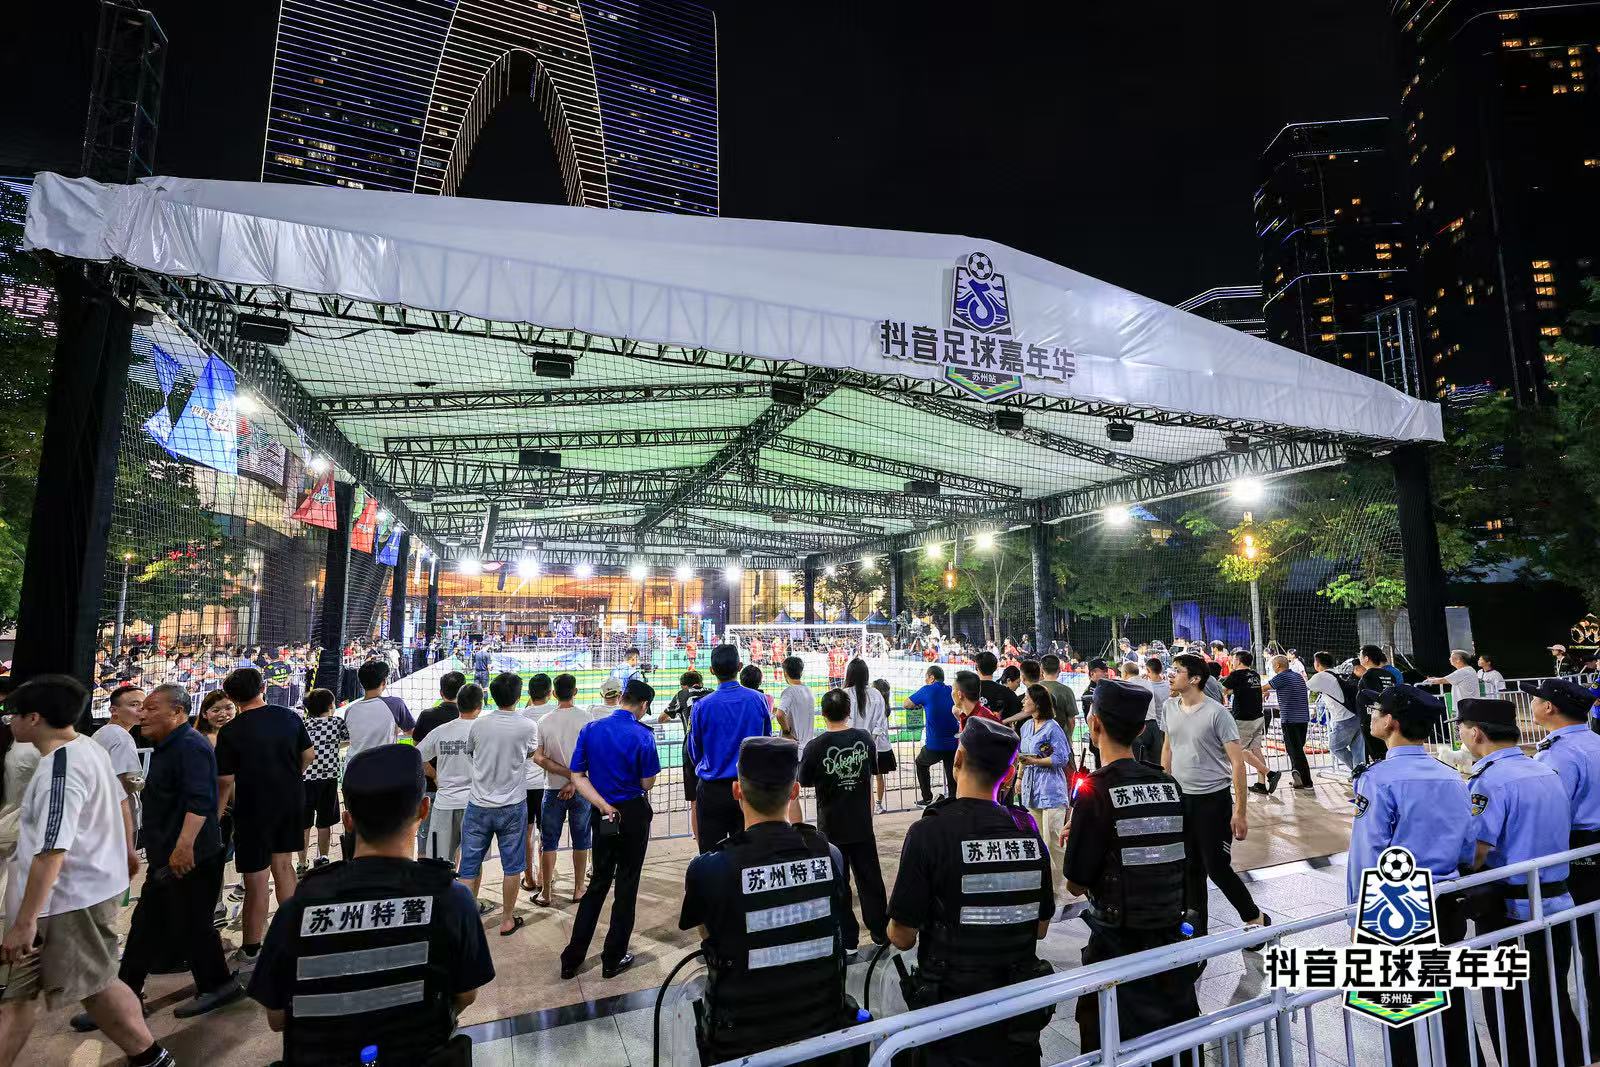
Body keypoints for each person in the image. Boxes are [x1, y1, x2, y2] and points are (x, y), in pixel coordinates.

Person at [248, 745, 494, 1067]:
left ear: (347, 820)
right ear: (423, 809)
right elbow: (466, 995)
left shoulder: (297, 909)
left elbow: (277, 1017)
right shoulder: (451, 899)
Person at [0, 676, 171, 1067]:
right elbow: (120, 800)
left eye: (13, 714)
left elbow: (52, 850)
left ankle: (152, 1058)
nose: (9, 722)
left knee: (97, 987)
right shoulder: (88, 747)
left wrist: (25, 922)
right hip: (74, 895)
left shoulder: (60, 769)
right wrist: (126, 848)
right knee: (21, 999)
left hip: (66, 902)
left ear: (34, 718)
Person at [887, 718, 1055, 1067]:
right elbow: (1040, 928)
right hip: (1015, 1021)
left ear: (958, 758)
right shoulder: (1026, 829)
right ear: (1009, 775)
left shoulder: (929, 832)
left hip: (950, 1022)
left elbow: (901, 937)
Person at [683, 734, 859, 1063]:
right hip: (822, 1029)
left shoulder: (708, 869)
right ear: (794, 792)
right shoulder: (829, 855)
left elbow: (710, 936)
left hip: (738, 1041)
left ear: (737, 791)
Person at [78, 684, 243, 1031]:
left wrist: (184, 847)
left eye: (151, 709)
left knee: (190, 924)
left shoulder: (190, 746)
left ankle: (217, 985)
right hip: (169, 856)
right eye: (141, 708)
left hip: (189, 857)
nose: (143, 715)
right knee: (149, 926)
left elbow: (200, 802)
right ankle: (129, 996)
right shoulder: (168, 744)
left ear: (178, 712)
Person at [1064, 679, 1199, 1067]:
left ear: (1094, 724)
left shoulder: (1094, 791)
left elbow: (1075, 884)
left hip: (1116, 949)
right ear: (1141, 729)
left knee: (1109, 1047)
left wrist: (1081, 838)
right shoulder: (1168, 784)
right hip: (1170, 947)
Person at [1347, 685, 1476, 1067]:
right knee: (1451, 1008)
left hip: (1396, 908)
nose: (1371, 716)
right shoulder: (1451, 776)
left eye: (1376, 710)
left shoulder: (1378, 779)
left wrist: (1357, 917)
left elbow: (1369, 854)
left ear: (1391, 722)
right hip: (1447, 901)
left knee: (1400, 1017)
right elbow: (1467, 846)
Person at [1457, 696, 1581, 1067]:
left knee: (1509, 1006)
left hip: (1512, 912)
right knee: (1551, 993)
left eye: (1461, 727)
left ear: (1476, 733)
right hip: (1558, 901)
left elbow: (1477, 852)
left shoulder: (1490, 781)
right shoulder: (1543, 769)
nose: (1460, 734)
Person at [560, 679, 660, 980]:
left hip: (603, 814)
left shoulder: (591, 729)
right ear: (643, 705)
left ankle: (572, 958)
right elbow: (646, 783)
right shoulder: (643, 735)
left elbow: (577, 775)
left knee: (598, 882)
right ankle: (612, 958)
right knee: (627, 885)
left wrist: (603, 805)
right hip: (632, 813)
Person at [1162, 653, 1267, 938]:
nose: (1171, 674)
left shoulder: (1217, 713)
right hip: (1182, 800)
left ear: (1194, 679)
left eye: (1177, 670)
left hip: (1213, 801)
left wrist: (1240, 812)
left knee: (1217, 867)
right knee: (1190, 867)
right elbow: (1168, 749)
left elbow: (1237, 763)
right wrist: (1166, 789)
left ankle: (1255, 917)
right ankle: (1197, 932)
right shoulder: (1169, 707)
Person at [216, 667, 314, 967]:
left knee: (256, 879)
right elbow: (308, 755)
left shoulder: (230, 731)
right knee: (283, 866)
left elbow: (225, 781)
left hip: (253, 808)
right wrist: (291, 776)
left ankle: (251, 949)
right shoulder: (289, 717)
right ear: (263, 688)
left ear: (232, 697)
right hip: (289, 802)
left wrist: (216, 815)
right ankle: (293, 936)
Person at [1525, 677, 1600, 1051]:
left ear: (1549, 707)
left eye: (1536, 699)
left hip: (1578, 852)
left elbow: (1552, 812)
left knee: (1573, 947)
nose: (1532, 704)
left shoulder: (1558, 754)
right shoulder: (1595, 742)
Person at [459, 672, 549, 935]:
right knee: (512, 866)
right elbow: (531, 753)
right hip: (512, 804)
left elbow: (471, 752)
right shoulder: (527, 726)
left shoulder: (479, 725)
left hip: (479, 804)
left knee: (469, 867)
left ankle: (466, 922)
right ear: (519, 696)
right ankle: (507, 919)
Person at [799, 690, 887, 946]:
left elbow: (804, 780)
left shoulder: (815, 746)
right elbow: (871, 771)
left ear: (823, 714)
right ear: (849, 712)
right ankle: (879, 931)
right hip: (861, 824)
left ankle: (847, 939)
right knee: (870, 880)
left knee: (839, 884)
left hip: (831, 827)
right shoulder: (864, 738)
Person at [687, 645, 773, 852]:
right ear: (739, 667)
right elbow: (765, 740)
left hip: (713, 789)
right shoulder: (757, 699)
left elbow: (694, 750)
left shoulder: (702, 706)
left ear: (712, 670)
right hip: (747, 788)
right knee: (748, 854)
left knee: (711, 854)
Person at [535, 681, 594, 907]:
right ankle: (579, 888)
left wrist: (566, 775)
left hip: (552, 789)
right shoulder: (587, 719)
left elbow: (538, 758)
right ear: (575, 691)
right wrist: (574, 779)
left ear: (553, 693)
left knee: (549, 842)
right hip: (582, 788)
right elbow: (592, 756)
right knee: (582, 839)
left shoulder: (544, 721)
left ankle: (546, 892)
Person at [1017, 683, 1071, 913]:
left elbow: (1061, 758)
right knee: (1038, 841)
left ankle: (1061, 889)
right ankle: (1043, 887)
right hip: (1031, 789)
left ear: (1037, 703)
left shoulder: (1053, 728)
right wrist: (1019, 777)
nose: (1023, 701)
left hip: (1051, 790)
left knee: (1054, 840)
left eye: (1026, 698)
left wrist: (1035, 761)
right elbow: (1022, 755)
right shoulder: (1026, 727)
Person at [418, 682, 481, 865]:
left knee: (439, 864)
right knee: (472, 864)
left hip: (444, 804)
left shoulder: (441, 731)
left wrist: (434, 775)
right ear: (480, 705)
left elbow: (416, 756)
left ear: (458, 704)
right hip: (475, 804)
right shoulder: (484, 730)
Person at [299, 688, 347, 871]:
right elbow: (348, 740)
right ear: (330, 705)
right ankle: (323, 859)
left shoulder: (303, 724)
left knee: (304, 825)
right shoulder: (336, 723)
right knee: (324, 823)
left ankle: (301, 863)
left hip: (305, 779)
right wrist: (332, 745)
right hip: (328, 779)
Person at [1221, 650, 1280, 795]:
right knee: (1256, 750)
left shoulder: (1236, 675)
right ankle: (1261, 784)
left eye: (1234, 659)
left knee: (1238, 751)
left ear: (1238, 661)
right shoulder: (1255, 675)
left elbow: (1223, 690)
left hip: (1244, 718)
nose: (1232, 662)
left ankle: (1269, 773)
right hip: (1258, 717)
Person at [843, 659, 892, 815]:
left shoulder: (844, 694)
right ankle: (867, 820)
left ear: (849, 674)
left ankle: (853, 817)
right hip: (869, 748)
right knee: (867, 786)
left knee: (848, 785)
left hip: (847, 749)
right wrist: (870, 740)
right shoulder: (875, 694)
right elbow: (880, 723)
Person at [908, 665, 959, 806]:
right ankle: (954, 799)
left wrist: (919, 704)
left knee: (920, 763)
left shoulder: (927, 689)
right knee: (951, 770)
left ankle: (927, 798)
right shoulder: (951, 690)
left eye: (926, 677)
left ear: (931, 677)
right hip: (953, 742)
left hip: (935, 743)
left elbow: (907, 704)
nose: (925, 680)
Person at [774, 656, 815, 822]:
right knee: (794, 793)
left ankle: (794, 829)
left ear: (785, 672)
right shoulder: (808, 691)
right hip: (807, 748)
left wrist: (786, 730)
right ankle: (798, 828)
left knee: (790, 794)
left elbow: (780, 714)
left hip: (793, 749)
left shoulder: (789, 691)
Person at [1309, 652, 1362, 778]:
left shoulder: (1321, 676)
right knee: (1357, 750)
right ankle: (1361, 775)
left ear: (1317, 663)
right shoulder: (1338, 672)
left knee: (1335, 747)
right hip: (1356, 714)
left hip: (1343, 718)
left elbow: (1304, 687)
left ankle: (1359, 772)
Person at [1264, 654, 1313, 789]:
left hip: (1290, 719)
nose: (1272, 668)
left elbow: (1263, 688)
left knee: (1295, 751)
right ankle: (1298, 778)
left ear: (1278, 665)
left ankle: (1307, 782)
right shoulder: (1297, 676)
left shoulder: (1281, 677)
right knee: (1297, 749)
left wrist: (1264, 691)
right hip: (1303, 718)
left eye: (1273, 665)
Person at [343, 660, 404, 761]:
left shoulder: (349, 710)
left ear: (361, 683)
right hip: (383, 765)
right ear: (384, 682)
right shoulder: (395, 704)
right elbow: (411, 731)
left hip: (353, 766)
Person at [1356, 644, 1400, 761]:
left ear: (1366, 658)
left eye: (1360, 655)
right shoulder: (1389, 675)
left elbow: (1373, 696)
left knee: (1378, 755)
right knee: (1388, 751)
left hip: (1372, 719)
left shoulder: (1368, 675)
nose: (1359, 658)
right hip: (1388, 716)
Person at [1134, 656, 1169, 767]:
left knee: (1147, 759)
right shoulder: (1169, 685)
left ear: (1148, 670)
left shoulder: (1147, 687)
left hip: (1153, 726)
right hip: (1167, 726)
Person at [975, 650, 1021, 722]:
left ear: (977, 667)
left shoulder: (968, 690)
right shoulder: (1007, 693)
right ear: (996, 667)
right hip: (998, 728)